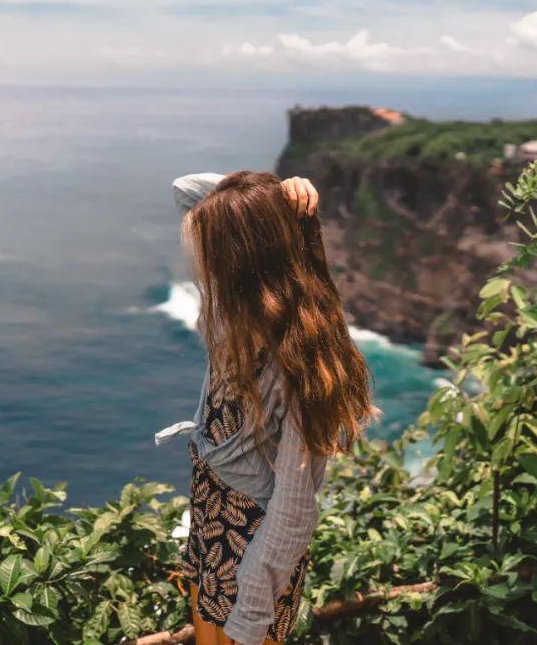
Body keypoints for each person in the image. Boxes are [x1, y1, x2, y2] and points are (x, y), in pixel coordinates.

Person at [155, 171, 378, 645]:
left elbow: (294, 509)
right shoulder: (227, 320)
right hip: (212, 514)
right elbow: (186, 189)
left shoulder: (295, 366)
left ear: (241, 263)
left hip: (255, 545)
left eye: (210, 256)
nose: (201, 270)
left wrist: (252, 611)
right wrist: (278, 196)